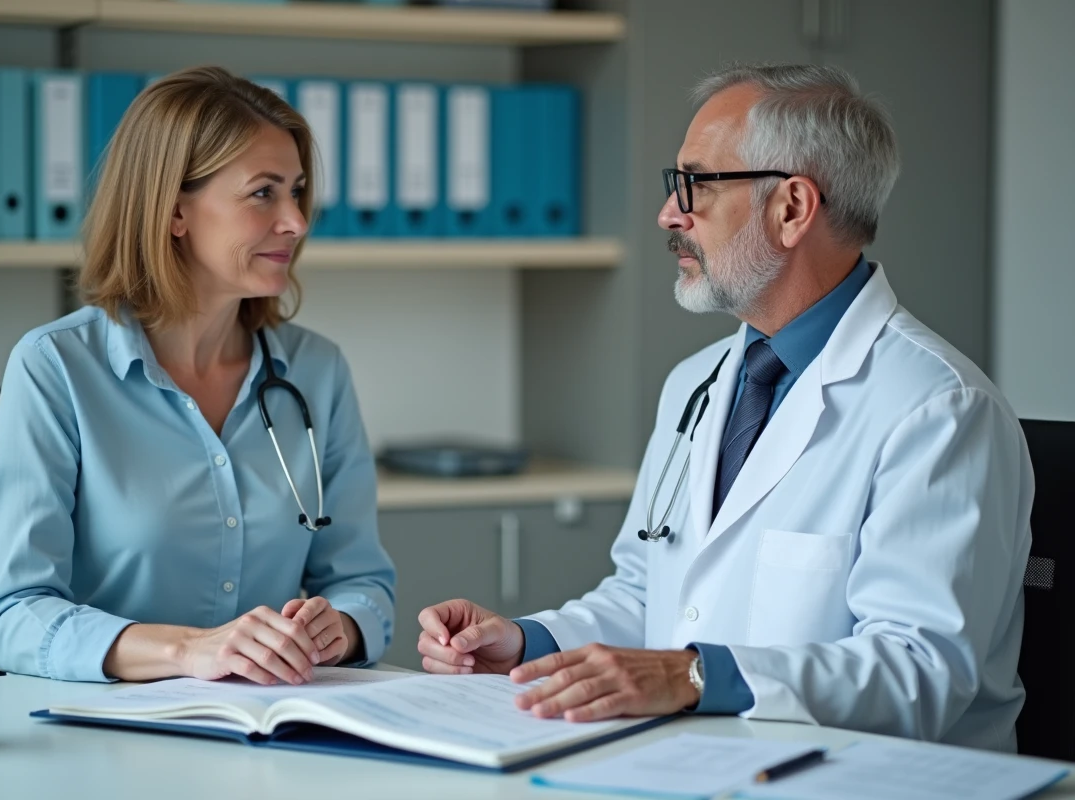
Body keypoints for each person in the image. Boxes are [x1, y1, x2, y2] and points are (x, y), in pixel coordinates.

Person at [417, 63, 1032, 752]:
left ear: (792, 208)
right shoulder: (697, 384)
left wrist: (696, 676)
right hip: (704, 763)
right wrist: (529, 640)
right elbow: (654, 597)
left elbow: (922, 672)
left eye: (695, 184)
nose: (668, 214)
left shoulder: (938, 409)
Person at [0, 66, 395, 685]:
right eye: (263, 193)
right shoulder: (55, 367)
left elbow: (362, 582)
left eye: (297, 192)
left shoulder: (317, 371)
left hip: (269, 726)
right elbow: (11, 614)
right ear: (175, 212)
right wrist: (187, 652)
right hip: (99, 735)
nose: (296, 222)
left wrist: (343, 625)